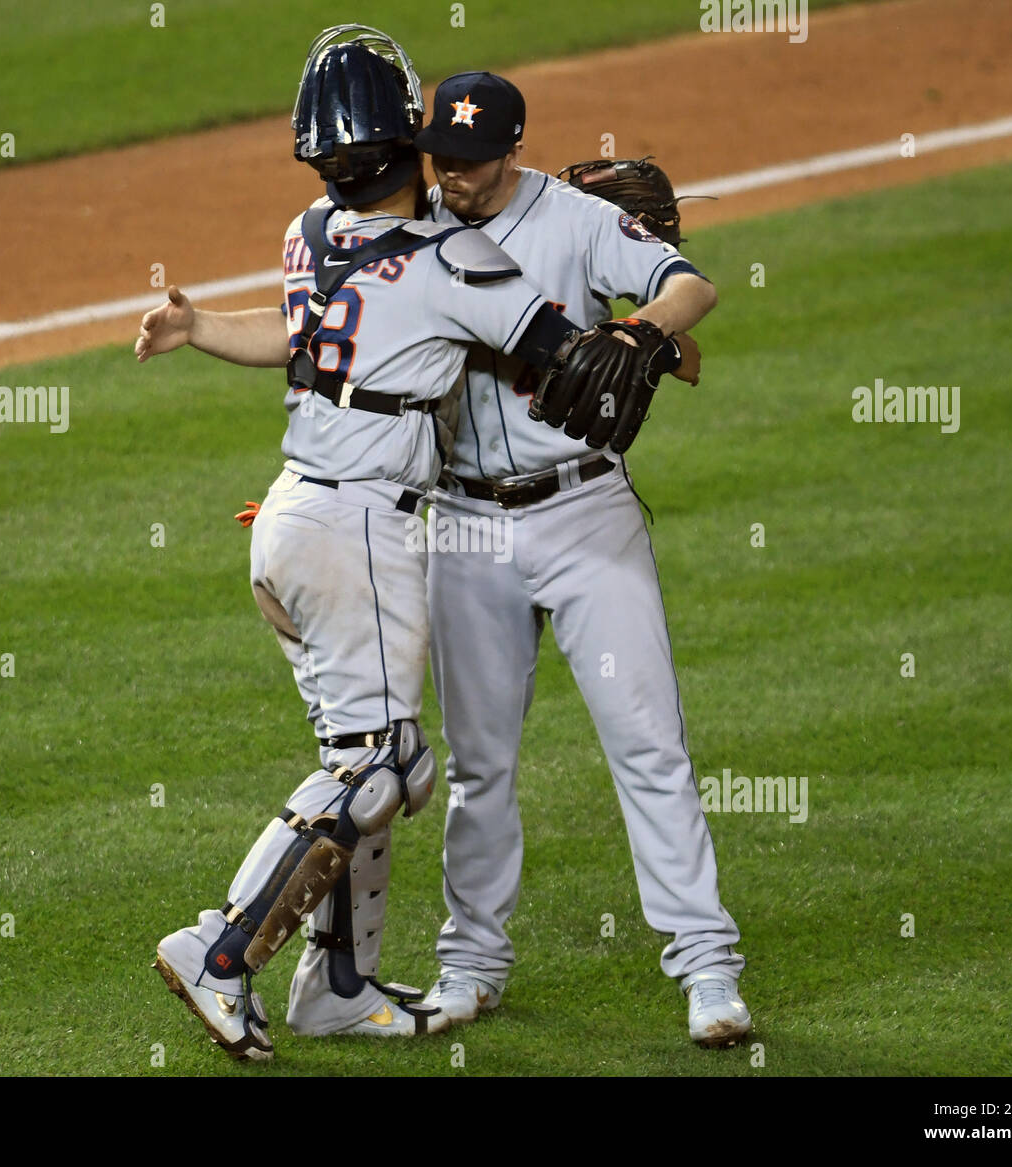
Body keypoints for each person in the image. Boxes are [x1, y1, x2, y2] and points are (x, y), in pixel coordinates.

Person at [136, 29, 612, 1058]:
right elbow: (567, 358)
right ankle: (218, 951)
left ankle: (337, 986)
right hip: (355, 529)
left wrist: (197, 326)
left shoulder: (309, 228)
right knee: (384, 763)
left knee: (363, 763)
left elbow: (305, 338)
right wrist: (628, 290)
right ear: (411, 133)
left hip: (292, 518)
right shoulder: (452, 257)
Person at [409, 72, 753, 1048]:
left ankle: (707, 969)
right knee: (480, 766)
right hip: (463, 523)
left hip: (586, 516)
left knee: (647, 745)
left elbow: (693, 284)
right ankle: (470, 964)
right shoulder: (412, 233)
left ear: (511, 150)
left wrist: (640, 325)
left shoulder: (576, 220)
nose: (454, 178)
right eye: (442, 159)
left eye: (471, 164)